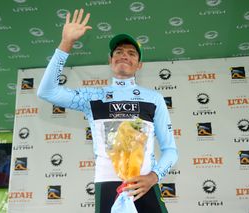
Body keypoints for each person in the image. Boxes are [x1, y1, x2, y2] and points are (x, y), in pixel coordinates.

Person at [37, 8, 178, 213]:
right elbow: (47, 91)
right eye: (118, 52)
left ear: (139, 65)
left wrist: (153, 177)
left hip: (144, 184)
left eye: (131, 53)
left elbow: (170, 150)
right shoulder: (93, 97)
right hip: (107, 184)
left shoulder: (154, 99)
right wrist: (66, 43)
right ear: (110, 61)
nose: (124, 56)